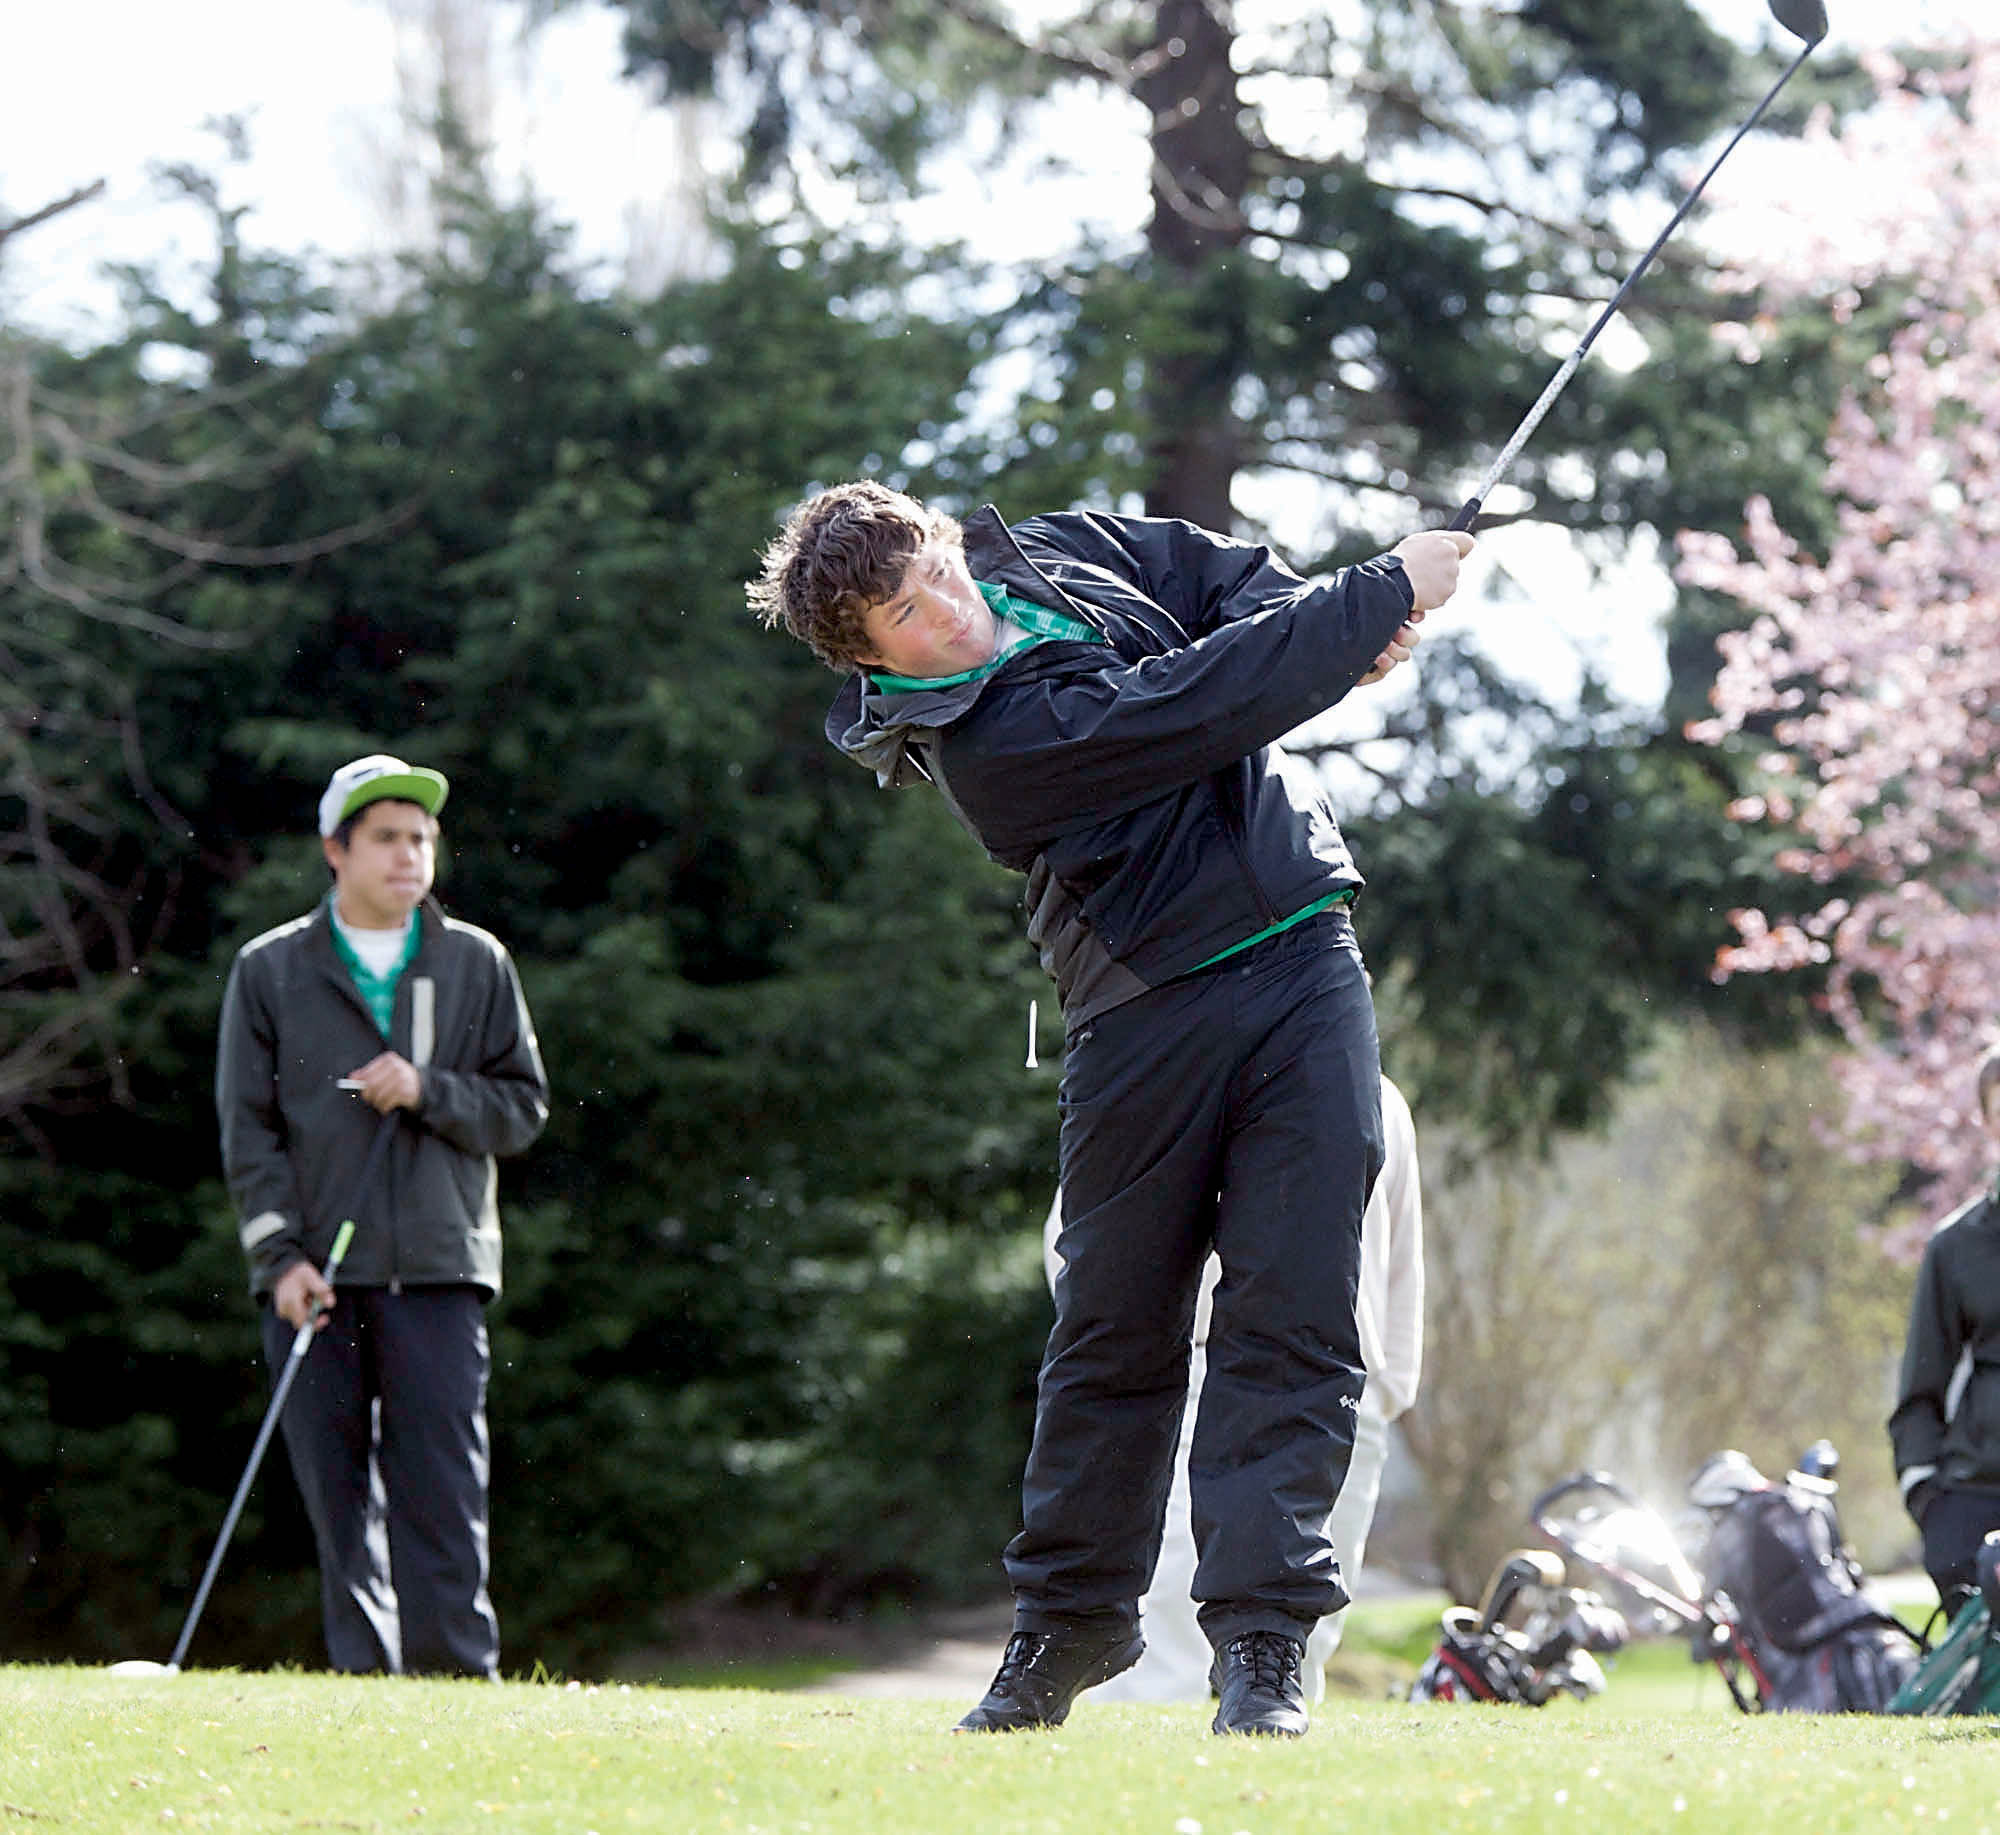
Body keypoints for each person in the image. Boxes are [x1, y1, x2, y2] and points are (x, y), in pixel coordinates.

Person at [749, 481, 1471, 1736]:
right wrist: (1372, 600)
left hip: (1304, 957)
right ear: (867, 658)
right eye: (909, 618)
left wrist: (1322, 627)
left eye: (938, 573)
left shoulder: (1051, 548)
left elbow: (1218, 580)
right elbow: (1188, 708)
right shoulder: (984, 750)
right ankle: (1066, 1631)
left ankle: (1262, 1649)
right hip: (1142, 1011)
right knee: (1112, 1332)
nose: (950, 613)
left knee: (1296, 1307)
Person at [215, 754, 550, 1677]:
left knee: (442, 1495)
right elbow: (249, 1134)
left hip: (441, 1268)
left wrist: (428, 1089)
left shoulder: (475, 960)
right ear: (336, 849)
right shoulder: (269, 971)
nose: (410, 856)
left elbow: (521, 1109)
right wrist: (279, 1258)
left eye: (422, 838)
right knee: (337, 1500)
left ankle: (457, 1684)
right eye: (387, 838)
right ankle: (367, 1683)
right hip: (313, 1280)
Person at [1044, 1072, 1422, 1706]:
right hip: (1195, 1379)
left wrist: (1383, 1394)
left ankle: (1262, 1792)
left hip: (1342, 1397)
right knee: (1170, 1628)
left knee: (1302, 1639)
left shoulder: (1373, 1094)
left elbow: (1401, 1260)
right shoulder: (1172, 1070)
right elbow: (1077, 1243)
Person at [1890, 1043, 2000, 1614]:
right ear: (1987, 1124)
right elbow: (1918, 1395)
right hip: (1974, 1500)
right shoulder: (1954, 1248)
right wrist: (1931, 1504)